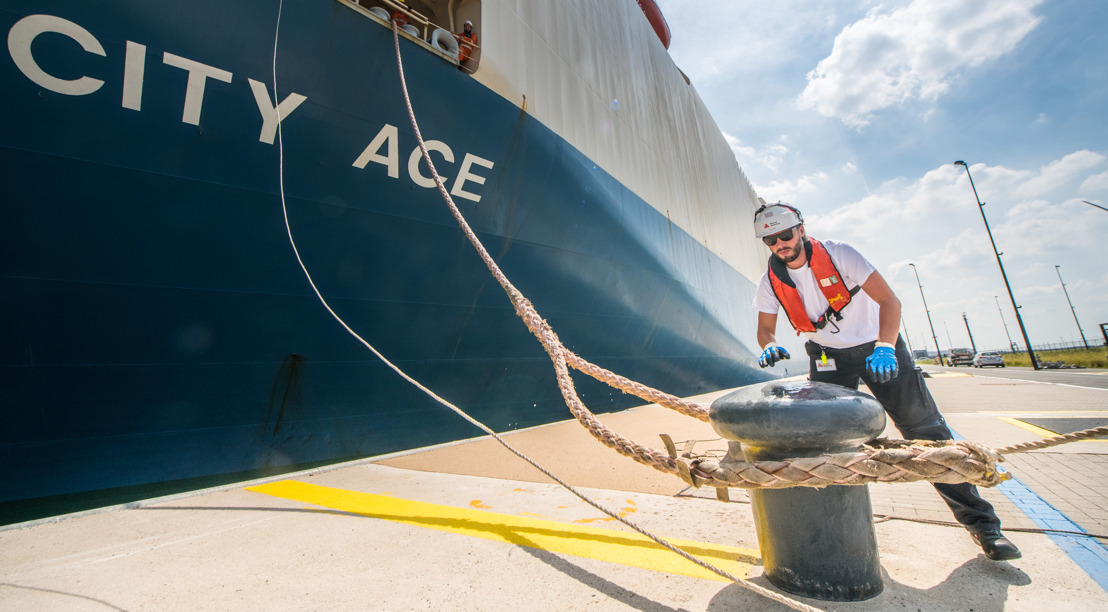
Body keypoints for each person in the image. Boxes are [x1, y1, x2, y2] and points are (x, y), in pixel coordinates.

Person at [751, 201, 1022, 562]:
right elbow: (765, 330)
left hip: (879, 347)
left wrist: (885, 348)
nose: (780, 243)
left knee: (926, 431)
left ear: (800, 229)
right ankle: (836, 531)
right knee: (826, 439)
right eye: (771, 240)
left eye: (785, 234)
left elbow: (889, 301)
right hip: (829, 357)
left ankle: (984, 527)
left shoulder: (841, 254)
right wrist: (769, 345)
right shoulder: (771, 281)